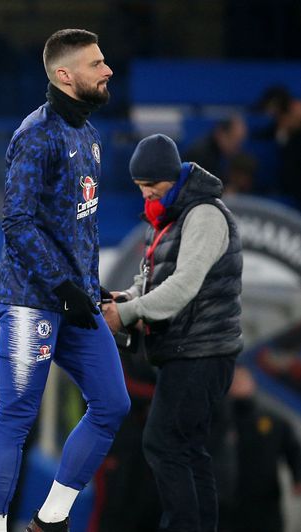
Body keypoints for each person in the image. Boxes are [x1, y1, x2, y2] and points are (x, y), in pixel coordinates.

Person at [0, 29, 129, 532]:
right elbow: (17, 222)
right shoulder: (36, 133)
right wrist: (63, 285)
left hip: (74, 298)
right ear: (65, 76)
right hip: (30, 300)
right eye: (96, 63)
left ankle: (50, 518)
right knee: (16, 417)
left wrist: (90, 286)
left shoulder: (87, 133)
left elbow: (76, 225)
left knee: (113, 403)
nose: (107, 70)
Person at [103, 133, 243, 532]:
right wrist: (124, 297)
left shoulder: (204, 215)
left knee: (162, 442)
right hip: (190, 349)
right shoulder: (169, 217)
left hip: (200, 350)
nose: (145, 194)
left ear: (172, 177)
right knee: (189, 450)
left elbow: (184, 287)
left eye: (151, 185)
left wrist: (127, 312)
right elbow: (151, 281)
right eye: (140, 187)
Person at [217, 366, 301, 532]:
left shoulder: (272, 420)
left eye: (242, 379)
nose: (238, 384)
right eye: (233, 381)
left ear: (252, 382)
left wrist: (298, 476)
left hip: (265, 500)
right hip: (225, 503)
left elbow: (293, 449)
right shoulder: (215, 422)